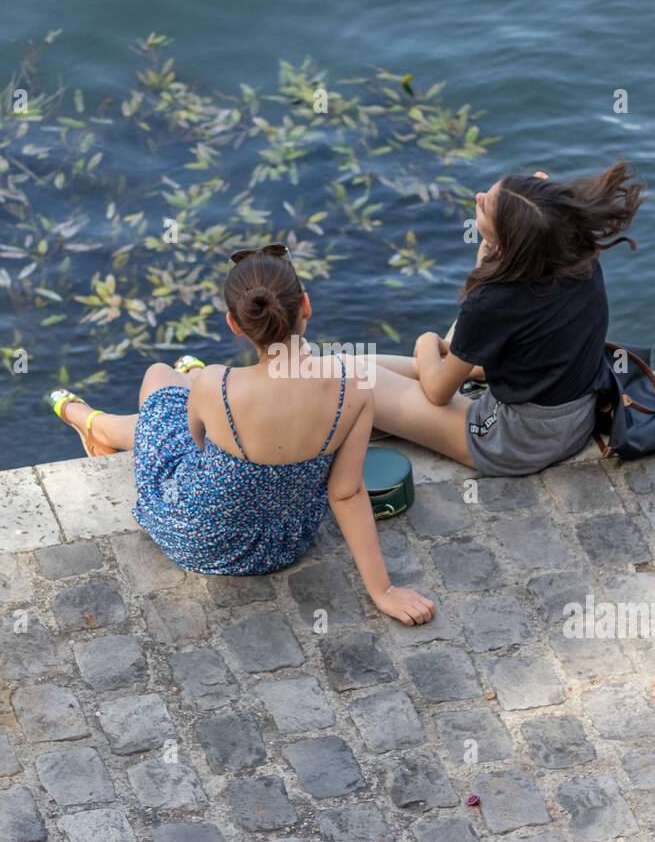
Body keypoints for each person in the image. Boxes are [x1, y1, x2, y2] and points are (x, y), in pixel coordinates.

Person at [49, 244, 437, 626]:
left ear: (234, 323)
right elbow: (346, 493)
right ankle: (128, 405)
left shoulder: (217, 385)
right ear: (306, 306)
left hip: (196, 537)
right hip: (284, 542)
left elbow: (196, 447)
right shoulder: (352, 388)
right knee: (189, 387)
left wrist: (208, 388)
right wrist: (383, 591)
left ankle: (92, 421)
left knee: (157, 377)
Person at [366, 162, 644, 475]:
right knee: (355, 364)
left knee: (350, 377)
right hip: (577, 418)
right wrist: (535, 199)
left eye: (485, 208)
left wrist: (426, 342)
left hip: (517, 439)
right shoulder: (578, 257)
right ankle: (474, 371)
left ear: (506, 242)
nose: (479, 196)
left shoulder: (493, 300)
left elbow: (438, 393)